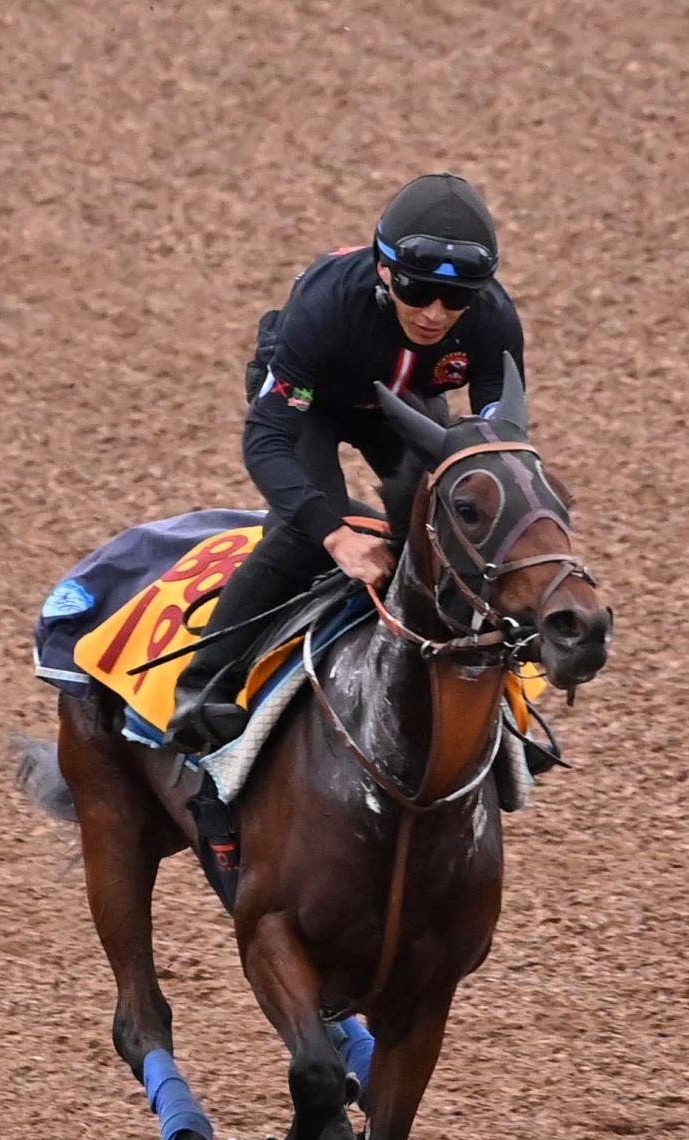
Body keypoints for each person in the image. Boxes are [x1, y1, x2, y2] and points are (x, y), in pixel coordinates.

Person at [166, 173, 526, 754]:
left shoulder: (494, 318)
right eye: (417, 291)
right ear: (384, 271)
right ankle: (205, 684)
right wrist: (335, 535)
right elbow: (267, 442)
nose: (435, 314)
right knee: (304, 529)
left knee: (452, 518)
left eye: (455, 299)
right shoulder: (328, 303)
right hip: (315, 400)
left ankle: (498, 697)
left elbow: (499, 437)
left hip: (397, 400)